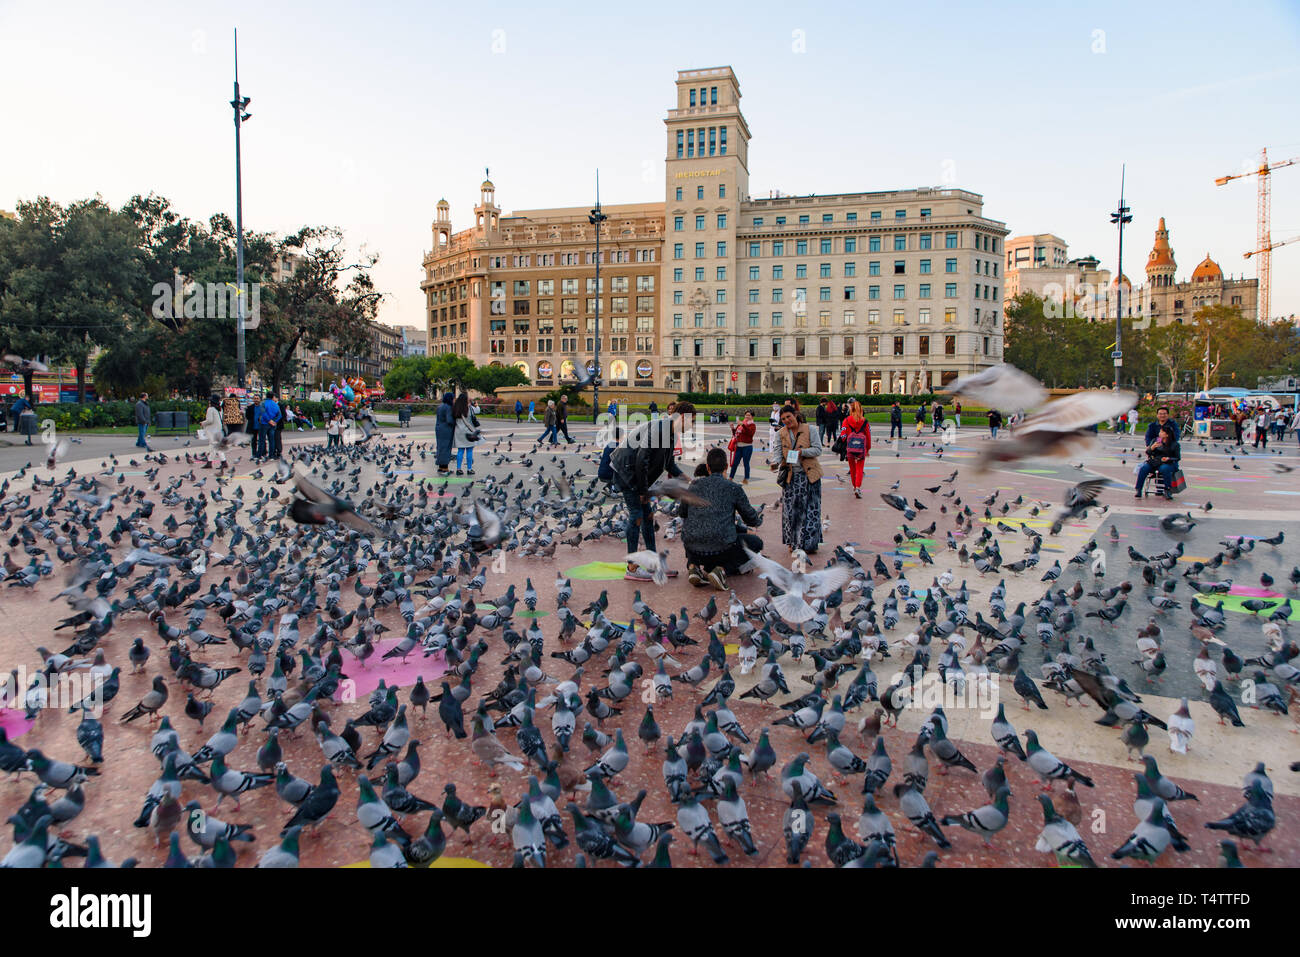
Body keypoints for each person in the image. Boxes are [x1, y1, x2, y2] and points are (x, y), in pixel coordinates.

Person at [610, 402, 696, 578]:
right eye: (691, 421)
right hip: (627, 472)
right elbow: (642, 459)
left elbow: (669, 463)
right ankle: (631, 568)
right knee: (637, 517)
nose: (692, 425)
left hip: (639, 475)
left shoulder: (671, 433)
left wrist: (687, 479)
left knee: (648, 518)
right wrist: (643, 491)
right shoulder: (660, 429)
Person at [681, 447, 764, 590]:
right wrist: (757, 522)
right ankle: (722, 570)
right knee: (756, 543)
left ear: (707, 467)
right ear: (726, 466)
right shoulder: (733, 488)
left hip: (693, 547)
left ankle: (693, 566)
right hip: (721, 548)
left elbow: (682, 513)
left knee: (692, 530)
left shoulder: (693, 486)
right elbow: (751, 519)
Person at [771, 403, 823, 554]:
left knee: (811, 510)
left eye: (789, 417)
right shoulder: (780, 433)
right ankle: (792, 542)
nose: (787, 420)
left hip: (809, 476)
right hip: (791, 477)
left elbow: (818, 449)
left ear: (795, 415)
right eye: (783, 419)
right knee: (790, 511)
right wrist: (775, 463)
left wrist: (803, 452)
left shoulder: (810, 429)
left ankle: (809, 543)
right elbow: (778, 453)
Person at [1135, 422, 1180, 500]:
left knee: (1164, 468)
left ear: (1167, 434)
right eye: (1160, 431)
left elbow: (1177, 457)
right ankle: (1138, 489)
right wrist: (1152, 447)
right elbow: (1148, 452)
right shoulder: (1156, 440)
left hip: (1167, 463)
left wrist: (1168, 459)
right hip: (1155, 461)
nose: (1159, 433)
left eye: (1162, 432)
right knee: (1144, 468)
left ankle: (1167, 490)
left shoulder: (1174, 444)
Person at [839, 399, 872, 498]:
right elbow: (868, 436)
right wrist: (868, 448)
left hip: (850, 448)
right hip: (861, 449)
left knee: (852, 468)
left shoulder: (846, 420)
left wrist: (845, 443)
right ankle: (858, 487)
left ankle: (854, 486)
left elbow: (843, 435)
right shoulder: (865, 421)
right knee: (860, 468)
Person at [453, 391, 481, 475]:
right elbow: (478, 411)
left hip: (458, 432)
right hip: (468, 432)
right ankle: (469, 469)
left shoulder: (455, 408)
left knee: (460, 451)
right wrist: (476, 405)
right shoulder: (470, 408)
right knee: (469, 451)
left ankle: (458, 469)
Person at [728, 410, 756, 483]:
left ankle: (746, 478)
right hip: (738, 446)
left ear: (752, 417)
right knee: (735, 463)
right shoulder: (741, 423)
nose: (747, 416)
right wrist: (732, 428)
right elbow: (736, 434)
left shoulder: (752, 425)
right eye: (746, 415)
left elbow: (750, 433)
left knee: (746, 463)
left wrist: (743, 425)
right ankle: (731, 477)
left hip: (747, 446)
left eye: (749, 415)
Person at [435, 391, 456, 475]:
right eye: (453, 398)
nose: (454, 400)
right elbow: (449, 420)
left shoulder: (440, 406)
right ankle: (445, 467)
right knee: (446, 447)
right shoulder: (448, 407)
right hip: (446, 430)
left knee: (440, 447)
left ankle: (440, 466)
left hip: (439, 428)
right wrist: (456, 422)